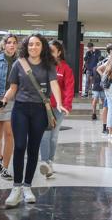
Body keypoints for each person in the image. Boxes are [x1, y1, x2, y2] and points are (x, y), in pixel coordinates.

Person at [0, 33, 69, 208]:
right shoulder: (18, 64)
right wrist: (4, 100)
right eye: (30, 45)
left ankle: (27, 186)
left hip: (39, 111)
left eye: (37, 44)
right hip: (20, 109)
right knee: (20, 146)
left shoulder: (48, 65)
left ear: (42, 46)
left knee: (33, 149)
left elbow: (53, 85)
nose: (33, 47)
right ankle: (16, 188)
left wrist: (59, 103)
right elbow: (13, 87)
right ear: (26, 47)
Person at [39, 40, 74, 178]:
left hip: (58, 108)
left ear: (59, 52)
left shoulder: (65, 68)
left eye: (52, 51)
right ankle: (45, 162)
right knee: (45, 135)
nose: (49, 53)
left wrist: (66, 105)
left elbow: (69, 89)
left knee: (53, 137)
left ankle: (50, 161)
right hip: (42, 106)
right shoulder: (41, 66)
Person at [0, 34, 17, 181]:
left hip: (12, 100)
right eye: (9, 43)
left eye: (14, 43)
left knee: (9, 134)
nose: (12, 45)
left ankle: (6, 168)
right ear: (4, 45)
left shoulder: (19, 62)